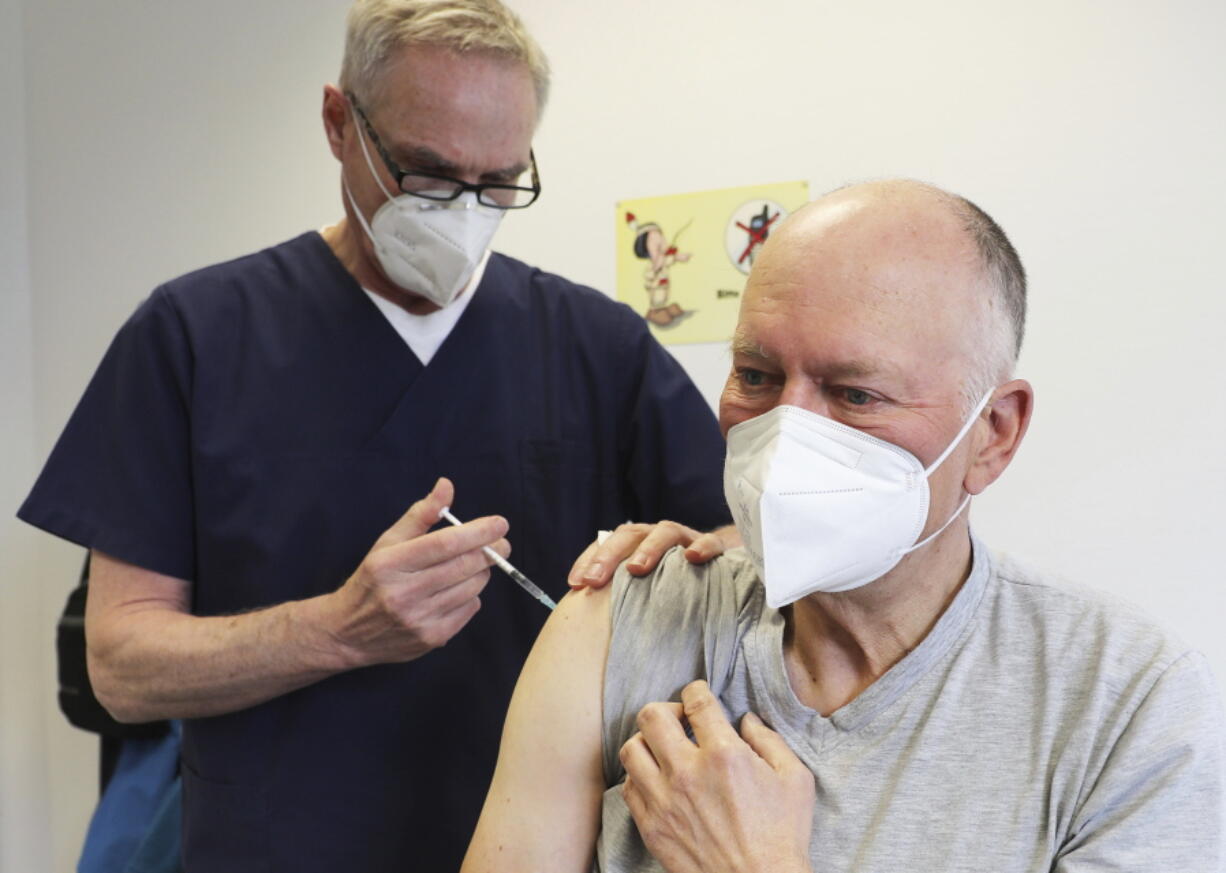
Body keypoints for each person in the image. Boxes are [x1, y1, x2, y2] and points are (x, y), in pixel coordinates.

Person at [17, 1, 737, 870]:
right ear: (338, 124)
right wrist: (339, 630)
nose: (464, 213)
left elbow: (737, 564)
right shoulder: (194, 337)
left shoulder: (596, 346)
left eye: (499, 182)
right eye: (429, 176)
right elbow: (121, 669)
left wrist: (690, 564)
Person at [461, 179, 1226, 873]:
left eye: (856, 394)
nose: (785, 436)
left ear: (991, 432)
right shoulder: (623, 617)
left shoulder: (1127, 702)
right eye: (756, 377)